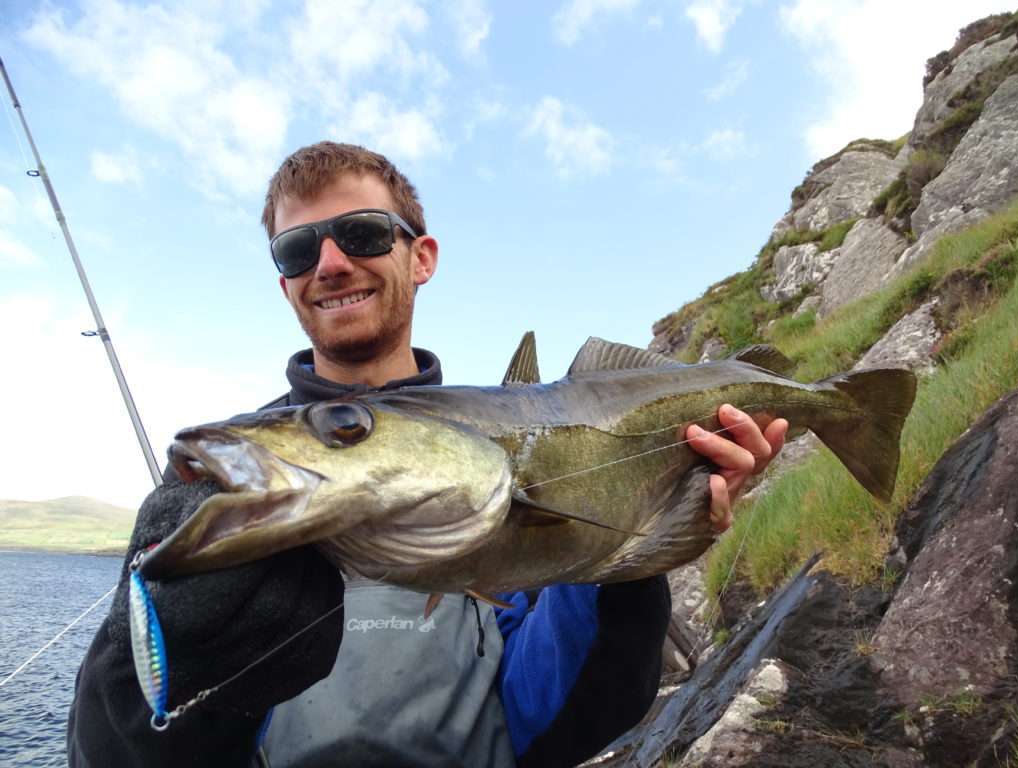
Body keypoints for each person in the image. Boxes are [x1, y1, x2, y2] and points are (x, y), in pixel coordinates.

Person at [67, 142, 786, 767]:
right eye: (297, 249)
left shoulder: (512, 448)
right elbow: (116, 753)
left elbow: (562, 719)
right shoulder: (227, 479)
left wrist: (638, 541)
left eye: (363, 233)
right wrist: (170, 660)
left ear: (422, 254)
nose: (330, 262)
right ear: (284, 280)